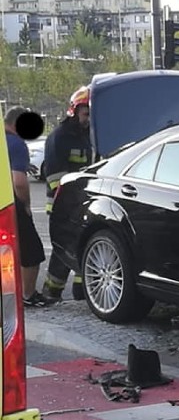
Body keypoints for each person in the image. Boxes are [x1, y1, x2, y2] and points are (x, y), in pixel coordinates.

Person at [41, 86, 93, 302]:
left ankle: (82, 292)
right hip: (63, 202)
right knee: (63, 248)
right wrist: (71, 197)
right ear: (74, 111)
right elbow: (54, 175)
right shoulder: (59, 137)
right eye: (85, 113)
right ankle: (51, 291)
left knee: (85, 244)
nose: (88, 118)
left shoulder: (91, 135)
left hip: (86, 201)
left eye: (91, 114)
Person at [4, 106, 50, 307]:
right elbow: (19, 182)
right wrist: (26, 205)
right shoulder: (16, 144)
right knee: (32, 252)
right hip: (11, 203)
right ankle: (28, 296)